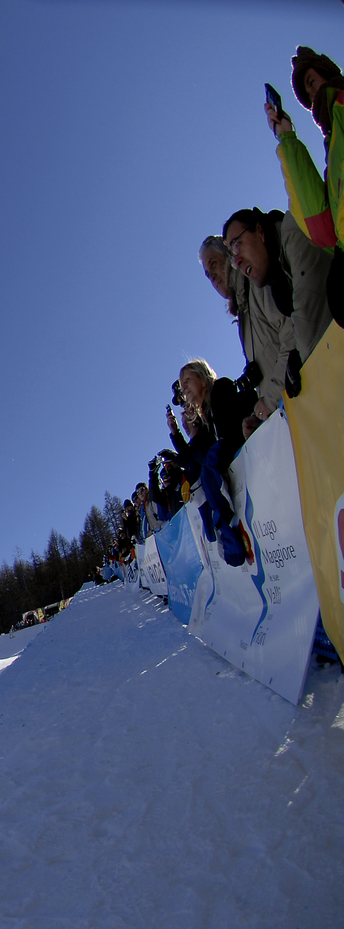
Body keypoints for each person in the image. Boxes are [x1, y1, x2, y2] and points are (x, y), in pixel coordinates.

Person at [222, 208, 331, 413]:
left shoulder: (293, 230)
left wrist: (272, 404)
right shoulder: (275, 282)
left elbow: (308, 321)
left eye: (237, 246)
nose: (237, 261)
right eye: (233, 258)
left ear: (260, 231)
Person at [269, 46, 344, 326]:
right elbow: (321, 227)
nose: (312, 97)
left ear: (329, 74)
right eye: (307, 94)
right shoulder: (333, 149)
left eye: (312, 83)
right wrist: (287, 139)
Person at [175, 359, 256, 565]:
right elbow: (197, 458)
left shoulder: (221, 389)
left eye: (187, 380)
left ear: (202, 378)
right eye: (182, 385)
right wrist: (194, 431)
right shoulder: (205, 418)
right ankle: (223, 531)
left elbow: (227, 442)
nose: (184, 388)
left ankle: (225, 530)